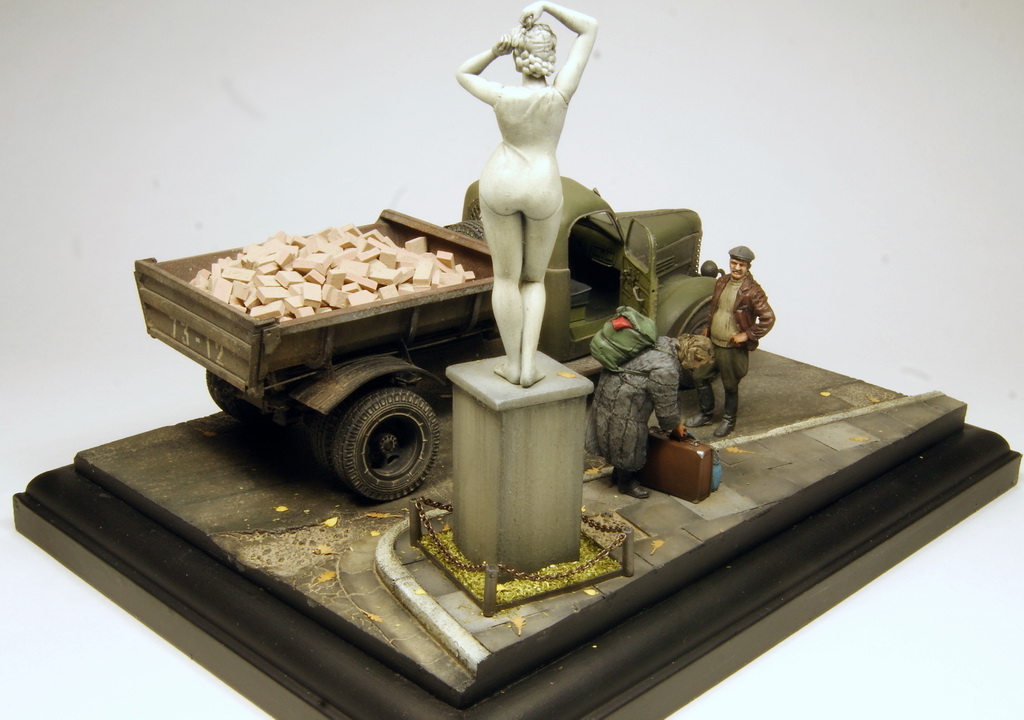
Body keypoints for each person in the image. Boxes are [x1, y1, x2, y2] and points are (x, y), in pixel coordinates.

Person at [456, 3, 597, 388]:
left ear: (518, 58)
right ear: (550, 57)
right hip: (541, 184)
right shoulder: (560, 95)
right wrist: (547, 5)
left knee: (505, 278)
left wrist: (495, 51)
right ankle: (528, 366)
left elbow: (463, 73)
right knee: (533, 280)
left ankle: (511, 363)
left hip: (501, 180)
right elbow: (589, 27)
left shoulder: (503, 95)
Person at [586, 334, 712, 499]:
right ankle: (626, 483)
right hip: (625, 400)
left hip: (611, 385)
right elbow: (666, 405)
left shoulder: (666, 342)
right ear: (693, 357)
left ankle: (619, 473)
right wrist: (674, 426)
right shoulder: (667, 368)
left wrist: (676, 421)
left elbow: (670, 392)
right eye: (699, 364)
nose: (698, 368)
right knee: (629, 440)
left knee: (616, 436)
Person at [687, 246, 775, 437]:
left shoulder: (753, 292)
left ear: (748, 267)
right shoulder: (722, 282)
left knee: (730, 385)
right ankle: (706, 414)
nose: (736, 268)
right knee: (699, 375)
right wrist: (708, 327)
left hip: (731, 348)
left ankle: (729, 420)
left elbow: (768, 318)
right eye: (733, 263)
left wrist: (748, 335)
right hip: (713, 342)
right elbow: (715, 308)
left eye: (741, 265)